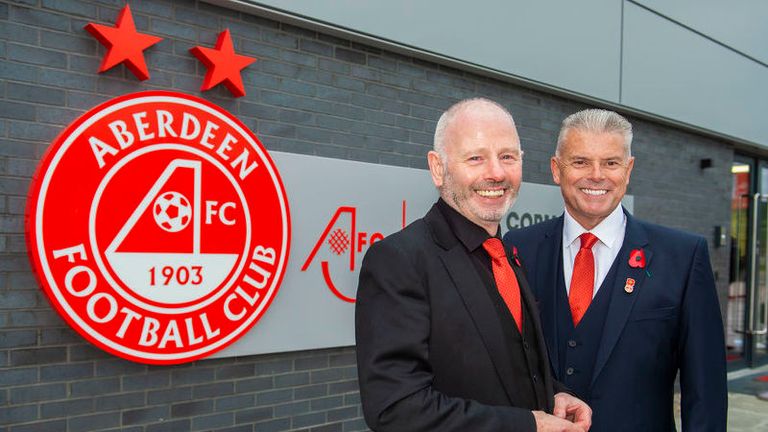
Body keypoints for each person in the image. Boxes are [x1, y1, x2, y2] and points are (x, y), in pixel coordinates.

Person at [355, 98, 591, 432]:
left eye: (507, 157)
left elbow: (507, 368)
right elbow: (396, 409)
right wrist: (527, 425)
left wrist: (554, 395)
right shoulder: (400, 261)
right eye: (476, 158)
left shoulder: (506, 255)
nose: (496, 173)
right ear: (438, 168)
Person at [503, 109, 727, 431]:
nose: (597, 175)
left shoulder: (683, 257)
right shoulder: (518, 248)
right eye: (580, 162)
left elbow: (706, 391)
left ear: (628, 169)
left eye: (610, 163)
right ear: (556, 169)